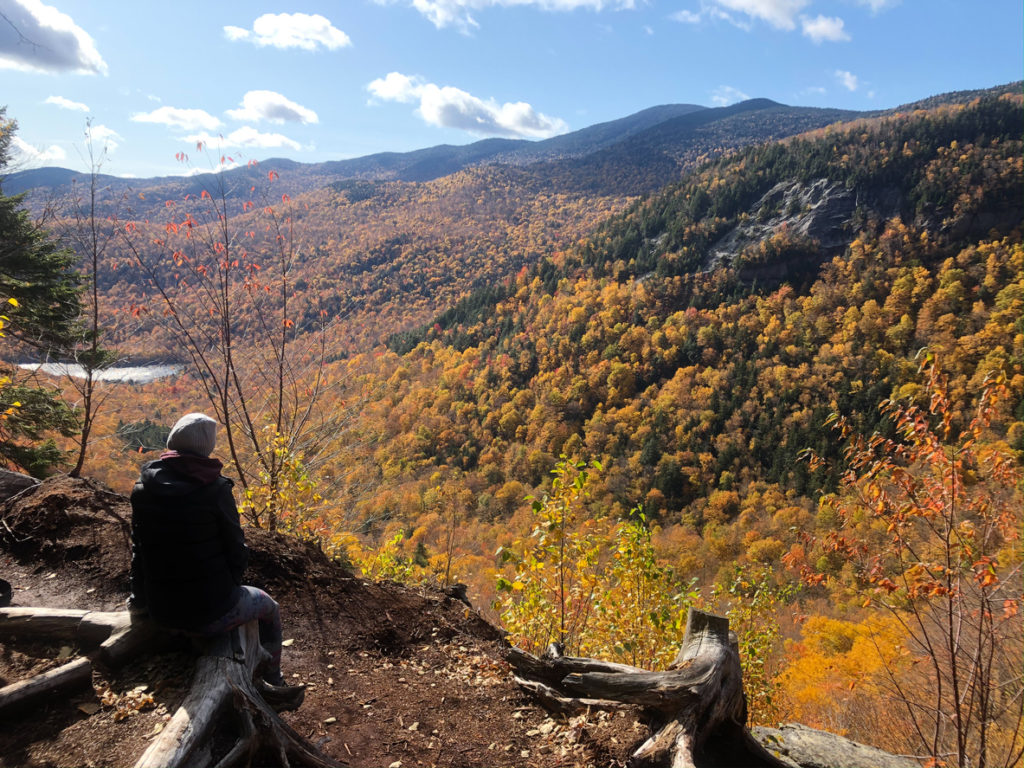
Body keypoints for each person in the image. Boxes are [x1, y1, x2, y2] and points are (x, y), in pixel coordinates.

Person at [128, 413, 288, 686]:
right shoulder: (215, 490)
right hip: (212, 612)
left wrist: (139, 602)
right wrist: (229, 591)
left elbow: (139, 552)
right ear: (207, 447)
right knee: (269, 606)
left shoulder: (142, 489)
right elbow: (237, 551)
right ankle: (275, 679)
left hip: (160, 610)